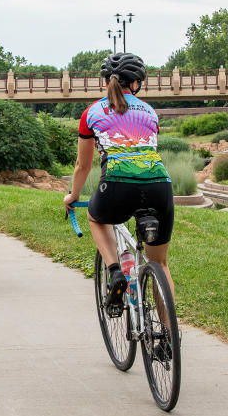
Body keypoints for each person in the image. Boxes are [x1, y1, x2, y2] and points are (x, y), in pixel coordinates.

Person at [63, 52, 173, 315]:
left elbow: (83, 166)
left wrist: (72, 195)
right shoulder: (149, 111)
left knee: (95, 216)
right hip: (160, 186)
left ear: (106, 82)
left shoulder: (91, 112)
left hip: (116, 186)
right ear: (136, 83)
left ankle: (114, 272)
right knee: (160, 263)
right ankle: (169, 339)